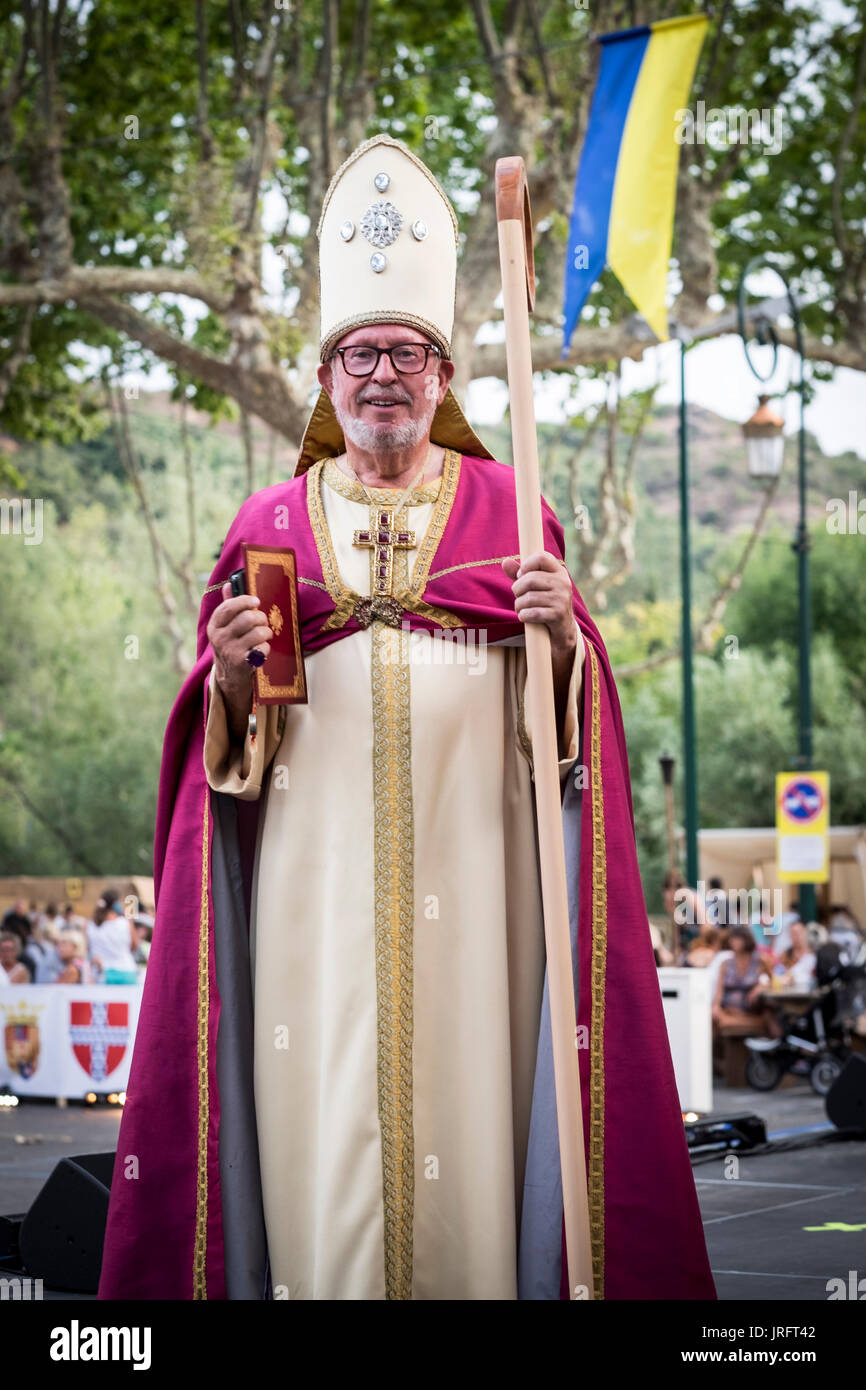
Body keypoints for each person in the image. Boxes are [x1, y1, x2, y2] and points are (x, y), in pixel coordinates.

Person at [99, 133, 715, 1303]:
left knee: (477, 1134)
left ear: (441, 378)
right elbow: (228, 757)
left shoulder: (510, 505)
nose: (383, 374)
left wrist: (561, 639)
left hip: (480, 889)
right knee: (313, 1138)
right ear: (327, 380)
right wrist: (228, 679)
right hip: (304, 911)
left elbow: (569, 740)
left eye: (408, 354)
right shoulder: (267, 523)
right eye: (360, 354)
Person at [711, 926, 773, 1033]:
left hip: (750, 1009)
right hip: (729, 1008)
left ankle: (734, 1022)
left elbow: (773, 981)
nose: (732, 942)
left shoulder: (759, 960)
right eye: (731, 939)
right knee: (713, 1019)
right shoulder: (726, 963)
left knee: (770, 1014)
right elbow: (719, 989)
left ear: (745, 939)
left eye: (736, 938)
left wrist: (760, 987)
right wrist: (715, 1005)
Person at [86, 891, 138, 983]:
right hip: (126, 972)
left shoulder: (90, 925)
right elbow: (134, 945)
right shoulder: (125, 922)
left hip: (101, 973)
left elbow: (88, 949)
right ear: (116, 904)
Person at [778, 920, 817, 991]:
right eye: (794, 933)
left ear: (805, 933)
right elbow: (779, 975)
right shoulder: (785, 954)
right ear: (790, 935)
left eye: (800, 932)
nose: (798, 936)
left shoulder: (814, 954)